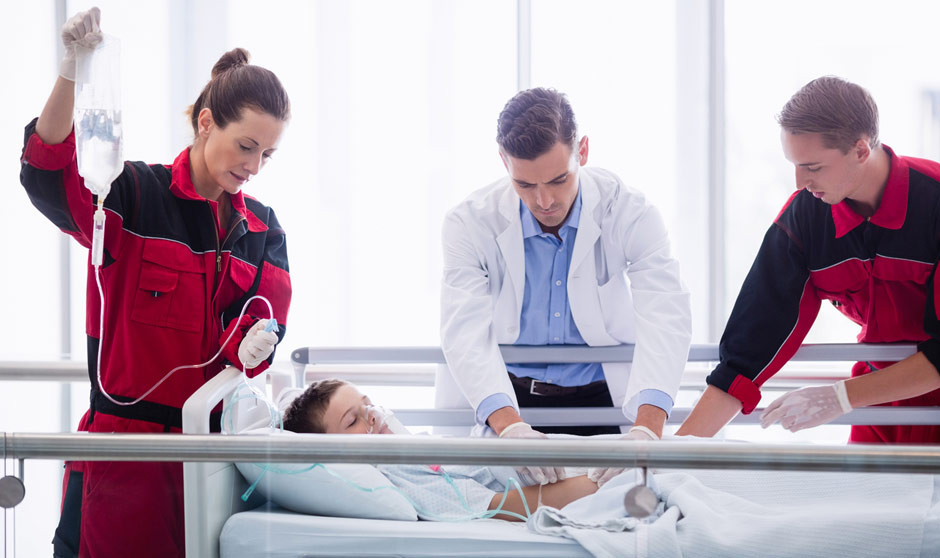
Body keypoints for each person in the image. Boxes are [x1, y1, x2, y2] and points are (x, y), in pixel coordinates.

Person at [21, 8, 292, 557]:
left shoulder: (262, 228)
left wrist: (260, 343)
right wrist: (71, 71)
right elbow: (47, 175)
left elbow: (268, 325)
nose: (255, 167)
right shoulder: (131, 196)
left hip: (213, 459)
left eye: (267, 154)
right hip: (126, 461)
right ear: (206, 121)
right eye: (246, 147)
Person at [437, 87, 693, 486]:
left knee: (630, 501)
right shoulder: (468, 223)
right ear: (504, 161)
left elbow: (666, 314)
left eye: (559, 180)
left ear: (583, 151)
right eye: (524, 185)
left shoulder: (630, 211)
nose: (544, 201)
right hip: (510, 401)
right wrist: (509, 428)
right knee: (495, 505)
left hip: (601, 400)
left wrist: (646, 431)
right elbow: (463, 330)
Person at [676, 76, 940, 443]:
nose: (799, 182)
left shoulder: (935, 204)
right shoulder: (804, 219)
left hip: (896, 392)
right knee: (864, 499)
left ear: (861, 150)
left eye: (813, 167)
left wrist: (840, 397)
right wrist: (664, 456)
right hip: (878, 406)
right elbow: (747, 355)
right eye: (794, 165)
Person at [281, 379, 600, 521]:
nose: (373, 415)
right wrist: (602, 480)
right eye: (353, 421)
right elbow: (509, 506)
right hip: (582, 487)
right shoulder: (404, 475)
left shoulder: (415, 448)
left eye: (368, 404)